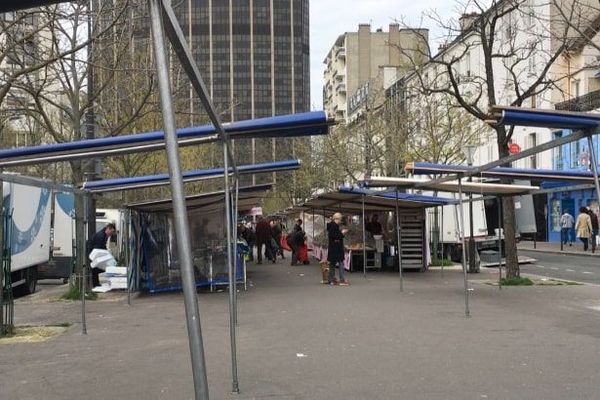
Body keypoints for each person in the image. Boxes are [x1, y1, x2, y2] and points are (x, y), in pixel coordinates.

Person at [90, 223, 116, 287]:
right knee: (95, 269)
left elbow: (103, 246)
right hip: (93, 254)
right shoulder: (100, 236)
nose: (111, 234)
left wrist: (107, 253)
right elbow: (98, 248)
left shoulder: (104, 235)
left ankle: (96, 283)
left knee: (96, 269)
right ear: (108, 229)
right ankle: (95, 284)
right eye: (111, 232)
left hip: (96, 253)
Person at [327, 212, 349, 286]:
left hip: (332, 248)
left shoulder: (331, 226)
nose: (341, 221)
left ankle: (332, 280)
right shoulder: (334, 226)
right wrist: (342, 233)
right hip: (336, 248)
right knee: (340, 263)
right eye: (340, 219)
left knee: (332, 264)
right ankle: (341, 280)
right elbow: (336, 236)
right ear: (338, 219)